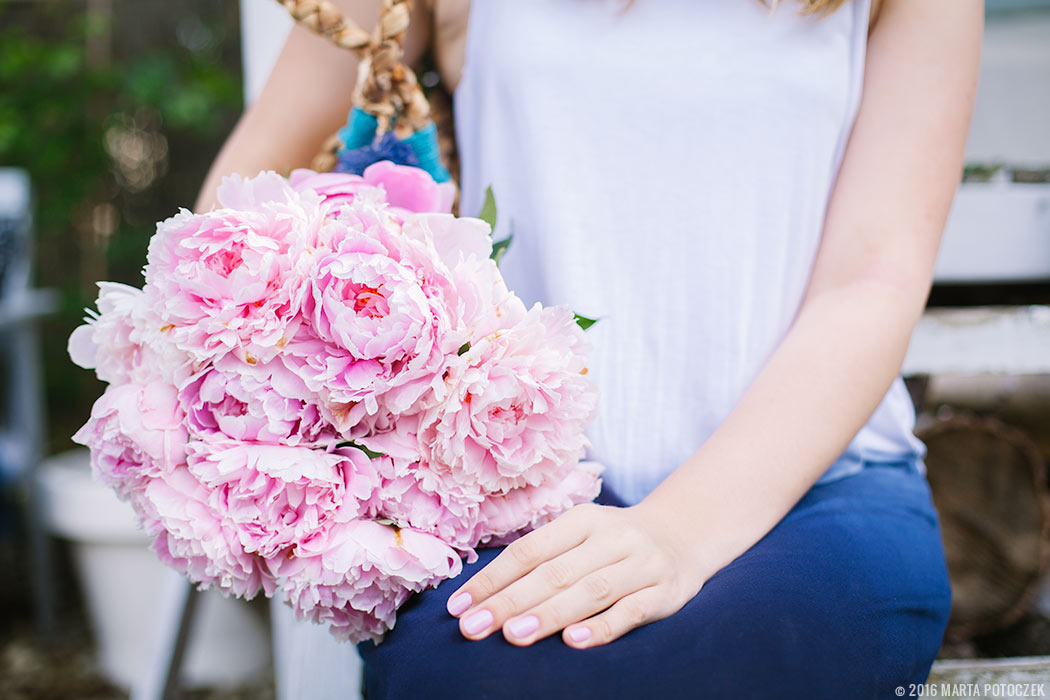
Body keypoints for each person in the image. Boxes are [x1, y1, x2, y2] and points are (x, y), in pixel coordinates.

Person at [197, 0, 982, 697]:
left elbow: (871, 278)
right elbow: (247, 191)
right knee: (476, 673)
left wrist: (677, 532)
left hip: (815, 490)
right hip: (499, 491)